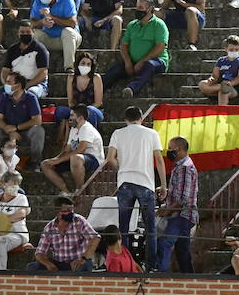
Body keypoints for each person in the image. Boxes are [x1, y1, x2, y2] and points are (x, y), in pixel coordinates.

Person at [106, 106, 166, 257]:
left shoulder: (118, 133)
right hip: (145, 183)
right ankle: (151, 266)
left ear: (125, 119)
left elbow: (110, 158)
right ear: (141, 118)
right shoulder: (152, 134)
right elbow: (159, 160)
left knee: (124, 228)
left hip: (125, 182)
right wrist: (164, 185)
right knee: (150, 228)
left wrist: (122, 168)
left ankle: (125, 262)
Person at [103, 0, 169, 97]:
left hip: (156, 61)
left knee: (149, 66)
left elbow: (160, 46)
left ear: (150, 9)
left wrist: (142, 62)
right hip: (133, 61)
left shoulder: (159, 25)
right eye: (137, 7)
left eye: (141, 7)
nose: (137, 10)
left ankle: (131, 89)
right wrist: (128, 62)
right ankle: (96, 92)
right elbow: (124, 45)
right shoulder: (132, 25)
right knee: (114, 70)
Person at [0, 72, 46, 166]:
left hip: (25, 132)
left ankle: (35, 162)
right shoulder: (4, 97)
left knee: (38, 131)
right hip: (8, 131)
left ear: (18, 86)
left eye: (9, 82)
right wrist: (8, 129)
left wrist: (17, 127)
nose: (6, 85)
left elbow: (37, 120)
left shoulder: (31, 98)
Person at [156, 136, 198, 273]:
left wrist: (167, 210)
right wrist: (165, 191)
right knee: (182, 252)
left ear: (179, 150)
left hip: (182, 215)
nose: (168, 152)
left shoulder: (185, 168)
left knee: (165, 243)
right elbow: (180, 192)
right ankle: (190, 280)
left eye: (170, 149)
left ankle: (163, 278)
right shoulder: (180, 166)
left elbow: (184, 199)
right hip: (182, 215)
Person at [26, 198, 100, 272]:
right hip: (59, 263)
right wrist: (48, 264)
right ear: (58, 212)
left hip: (78, 261)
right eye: (66, 211)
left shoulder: (79, 221)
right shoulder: (49, 228)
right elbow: (40, 253)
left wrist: (83, 258)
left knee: (84, 266)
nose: (71, 213)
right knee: (32, 267)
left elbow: (95, 238)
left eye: (71, 210)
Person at [41, 108, 104, 195]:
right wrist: (55, 159)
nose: (69, 118)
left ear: (80, 118)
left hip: (93, 159)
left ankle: (79, 190)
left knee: (76, 157)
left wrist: (58, 160)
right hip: (75, 158)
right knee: (45, 164)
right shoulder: (74, 129)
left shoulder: (87, 128)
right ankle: (67, 192)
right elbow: (67, 150)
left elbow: (81, 150)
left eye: (72, 115)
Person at [0, 25, 50, 108]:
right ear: (18, 33)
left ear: (33, 32)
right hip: (15, 84)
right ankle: (10, 111)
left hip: (35, 85)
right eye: (22, 32)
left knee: (31, 94)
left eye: (28, 32)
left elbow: (43, 73)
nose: (25, 34)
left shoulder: (40, 49)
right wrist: (7, 84)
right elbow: (5, 70)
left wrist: (25, 86)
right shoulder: (13, 49)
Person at [29, 0, 82, 71]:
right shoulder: (38, 1)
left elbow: (72, 24)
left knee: (68, 31)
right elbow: (32, 22)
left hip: (68, 40)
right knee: (35, 34)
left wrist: (51, 17)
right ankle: (38, 68)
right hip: (49, 38)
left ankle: (69, 67)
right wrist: (42, 22)